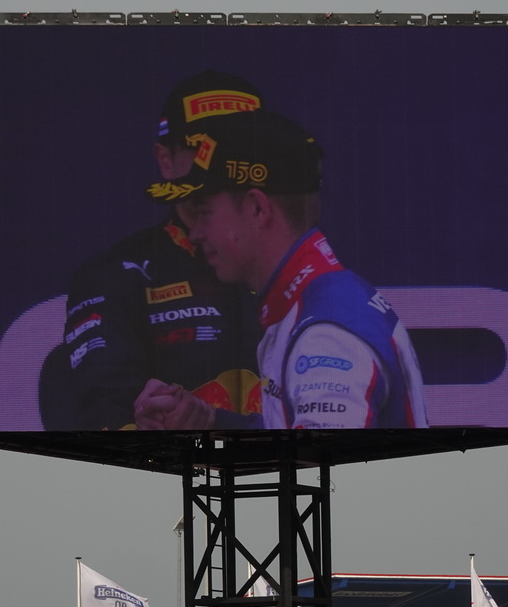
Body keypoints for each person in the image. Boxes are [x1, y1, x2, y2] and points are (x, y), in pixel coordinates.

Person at [136, 109, 429, 430]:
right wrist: (209, 421)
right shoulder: (319, 302)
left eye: (204, 211)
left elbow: (321, 477)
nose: (196, 232)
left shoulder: (324, 335)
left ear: (257, 208)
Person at [39, 70, 264, 430]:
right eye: (200, 145)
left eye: (241, 144)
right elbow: (103, 414)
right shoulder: (112, 278)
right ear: (165, 160)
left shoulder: (304, 272)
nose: (219, 162)